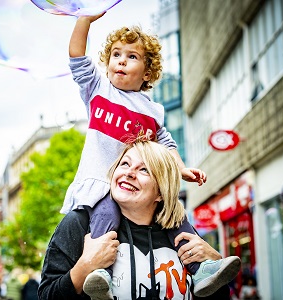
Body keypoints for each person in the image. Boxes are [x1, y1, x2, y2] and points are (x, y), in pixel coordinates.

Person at [62, 11, 240, 299]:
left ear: (147, 73)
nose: (121, 60)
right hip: (103, 184)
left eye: (132, 56)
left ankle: (201, 271)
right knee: (105, 219)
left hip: (138, 187)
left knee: (176, 216)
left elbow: (167, 144)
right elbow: (76, 57)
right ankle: (102, 276)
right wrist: (84, 20)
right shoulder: (99, 90)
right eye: (116, 54)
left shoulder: (153, 111)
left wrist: (181, 169)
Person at [39, 136, 234, 299]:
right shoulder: (81, 224)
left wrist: (213, 258)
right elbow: (47, 295)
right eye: (125, 164)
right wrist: (86, 266)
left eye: (144, 170)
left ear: (161, 191)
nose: (129, 173)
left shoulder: (182, 235)